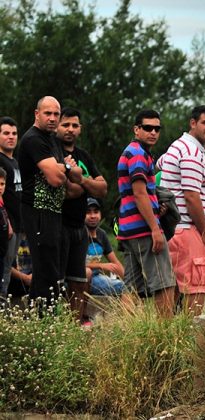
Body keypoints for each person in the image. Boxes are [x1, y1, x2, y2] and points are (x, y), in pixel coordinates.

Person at [17, 96, 83, 309]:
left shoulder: (52, 140)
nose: (53, 118)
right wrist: (65, 168)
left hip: (53, 212)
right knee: (46, 269)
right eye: (48, 113)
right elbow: (57, 179)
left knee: (51, 269)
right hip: (37, 210)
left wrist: (63, 168)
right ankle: (45, 320)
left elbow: (72, 178)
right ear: (37, 114)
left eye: (56, 114)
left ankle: (39, 321)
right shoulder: (33, 139)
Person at [157, 105, 205, 315]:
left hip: (176, 230)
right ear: (193, 123)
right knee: (196, 289)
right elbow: (192, 197)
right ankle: (192, 340)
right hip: (190, 231)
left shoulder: (178, 146)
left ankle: (169, 342)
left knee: (173, 289)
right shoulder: (191, 152)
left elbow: (160, 163)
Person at [117, 109, 175, 317]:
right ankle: (166, 336)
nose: (153, 132)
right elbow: (139, 193)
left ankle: (125, 332)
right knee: (164, 282)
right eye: (147, 128)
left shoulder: (133, 152)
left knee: (131, 287)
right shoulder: (138, 154)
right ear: (136, 129)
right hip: (143, 229)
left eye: (157, 128)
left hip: (129, 229)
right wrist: (155, 228)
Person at [57, 108, 107, 323]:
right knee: (57, 283)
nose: (70, 129)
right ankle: (56, 330)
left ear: (80, 129)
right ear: (57, 126)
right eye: (65, 124)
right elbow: (66, 191)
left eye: (74, 125)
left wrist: (82, 180)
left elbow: (103, 188)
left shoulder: (83, 155)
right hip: (57, 224)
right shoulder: (52, 152)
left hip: (80, 227)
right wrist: (89, 185)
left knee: (79, 281)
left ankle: (74, 328)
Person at [84, 198, 124, 296]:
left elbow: (115, 263)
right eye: (88, 212)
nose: (93, 216)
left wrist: (130, 281)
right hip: (80, 278)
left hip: (97, 279)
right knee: (87, 272)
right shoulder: (79, 233)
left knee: (126, 287)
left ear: (100, 214)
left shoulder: (102, 234)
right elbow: (74, 265)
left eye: (96, 212)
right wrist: (101, 265)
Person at [0, 117, 22, 299]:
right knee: (3, 268)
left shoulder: (15, 162)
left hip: (18, 225)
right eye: (6, 133)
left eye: (14, 133)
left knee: (8, 268)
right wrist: (7, 222)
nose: (11, 137)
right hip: (6, 225)